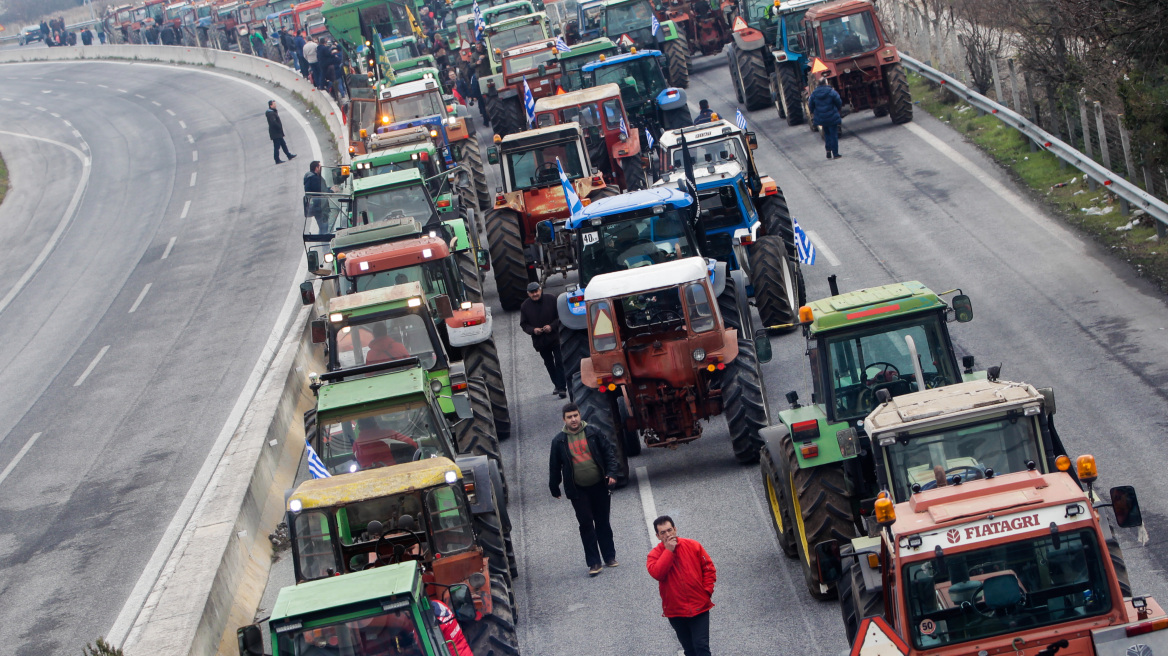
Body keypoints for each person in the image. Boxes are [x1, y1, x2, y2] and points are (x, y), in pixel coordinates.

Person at [549, 402, 619, 576]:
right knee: (586, 524)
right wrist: (554, 487)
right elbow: (554, 465)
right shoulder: (559, 441)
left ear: (580, 415)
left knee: (602, 521)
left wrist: (611, 473)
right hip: (578, 490)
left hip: (599, 486)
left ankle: (609, 557)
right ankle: (594, 563)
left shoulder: (594, 433)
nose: (573, 419)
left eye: (575, 415)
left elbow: (609, 453)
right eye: (569, 417)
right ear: (564, 419)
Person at [647, 516, 716, 656]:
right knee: (690, 650)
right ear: (657, 536)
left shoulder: (693, 545)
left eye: (669, 530)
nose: (667, 535)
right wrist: (668, 551)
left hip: (699, 607)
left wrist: (706, 592)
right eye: (663, 533)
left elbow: (709, 569)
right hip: (676, 611)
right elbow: (657, 574)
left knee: (701, 647)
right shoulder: (654, 555)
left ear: (675, 529)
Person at [520, 282, 566, 397]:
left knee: (560, 362)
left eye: (536, 291)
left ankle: (562, 388)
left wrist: (552, 326)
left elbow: (561, 316)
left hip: (555, 338)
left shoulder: (551, 299)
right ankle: (557, 384)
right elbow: (524, 324)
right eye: (532, 292)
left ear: (540, 290)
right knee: (549, 364)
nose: (535, 294)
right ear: (528, 294)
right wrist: (533, 330)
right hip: (540, 341)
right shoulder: (525, 306)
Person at [808, 75, 843, 159]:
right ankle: (835, 153)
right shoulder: (831, 91)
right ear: (826, 82)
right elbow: (838, 101)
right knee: (833, 135)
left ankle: (828, 151)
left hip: (822, 118)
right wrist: (838, 109)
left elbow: (810, 105)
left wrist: (814, 112)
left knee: (827, 134)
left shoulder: (814, 94)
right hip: (832, 117)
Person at [266, 100, 297, 164]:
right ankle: (277, 159)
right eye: (274, 104)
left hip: (277, 132)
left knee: (283, 144)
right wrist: (279, 127)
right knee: (277, 146)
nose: (275, 105)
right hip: (275, 133)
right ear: (271, 105)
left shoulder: (272, 112)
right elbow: (273, 123)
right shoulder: (271, 114)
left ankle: (289, 155)